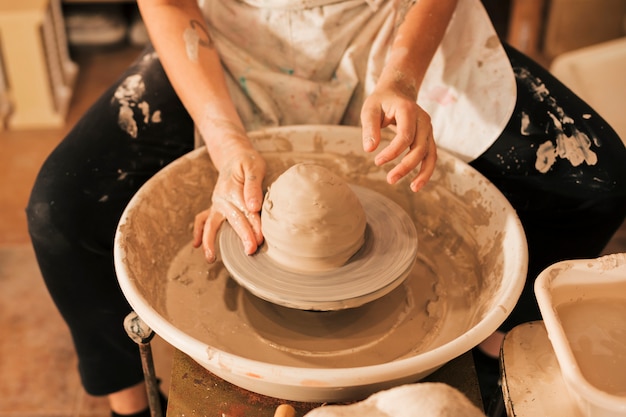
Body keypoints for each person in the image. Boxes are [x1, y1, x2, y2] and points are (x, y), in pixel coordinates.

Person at [25, 0, 626, 416]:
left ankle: (489, 348)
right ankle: (129, 398)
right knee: (63, 206)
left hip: (394, 28)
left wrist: (401, 79)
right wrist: (225, 139)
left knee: (597, 179)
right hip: (226, 39)